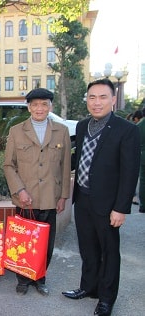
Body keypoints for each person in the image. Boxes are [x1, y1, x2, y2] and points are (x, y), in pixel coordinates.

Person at [62, 79, 140, 316]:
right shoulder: (84, 126)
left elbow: (130, 172)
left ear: (113, 99)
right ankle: (89, 287)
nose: (97, 102)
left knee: (109, 251)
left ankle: (106, 299)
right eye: (92, 97)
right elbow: (80, 159)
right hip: (83, 198)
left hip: (108, 204)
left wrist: (121, 208)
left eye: (103, 97)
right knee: (87, 248)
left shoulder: (127, 131)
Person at [3, 88, 71, 296]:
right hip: (26, 198)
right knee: (23, 241)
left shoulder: (61, 130)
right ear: (29, 107)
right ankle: (22, 279)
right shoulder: (16, 131)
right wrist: (19, 190)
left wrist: (64, 196)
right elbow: (8, 165)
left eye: (44, 104)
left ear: (50, 107)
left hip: (51, 197)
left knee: (46, 243)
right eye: (35, 105)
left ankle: (40, 278)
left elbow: (65, 166)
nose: (39, 108)